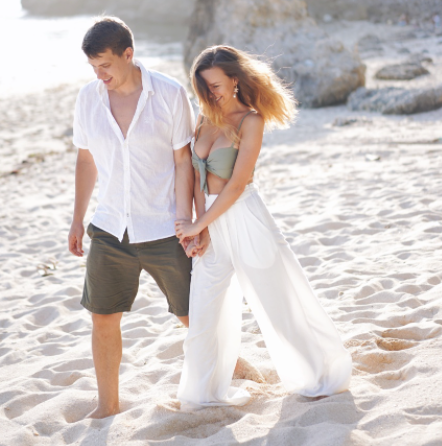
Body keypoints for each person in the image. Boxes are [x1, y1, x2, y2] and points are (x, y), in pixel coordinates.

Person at [175, 45, 352, 410]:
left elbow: (237, 185)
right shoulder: (204, 117)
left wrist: (197, 224)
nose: (210, 93)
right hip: (211, 224)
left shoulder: (251, 121)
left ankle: (320, 376)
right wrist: (200, 228)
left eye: (216, 85)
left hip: (245, 218)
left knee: (278, 305)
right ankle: (203, 394)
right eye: (203, 87)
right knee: (204, 313)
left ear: (235, 80)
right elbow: (196, 178)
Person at [68, 17, 196, 419]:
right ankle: (107, 405)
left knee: (191, 314)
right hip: (109, 227)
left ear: (129, 54)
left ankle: (231, 365)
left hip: (164, 227)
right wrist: (77, 219)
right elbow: (86, 160)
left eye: (105, 65)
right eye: (93, 67)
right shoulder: (88, 98)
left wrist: (188, 220)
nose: (99, 75)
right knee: (103, 317)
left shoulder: (170, 94)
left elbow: (184, 162)